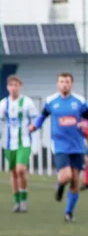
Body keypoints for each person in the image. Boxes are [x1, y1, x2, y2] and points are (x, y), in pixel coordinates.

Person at [29, 72, 88, 222]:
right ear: (58, 84)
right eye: (62, 82)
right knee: (66, 176)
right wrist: (35, 126)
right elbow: (43, 116)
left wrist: (85, 124)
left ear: (71, 84)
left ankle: (68, 213)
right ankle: (60, 187)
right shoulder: (51, 101)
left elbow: (87, 119)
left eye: (67, 82)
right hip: (60, 144)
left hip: (77, 145)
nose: (64, 84)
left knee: (75, 181)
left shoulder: (80, 101)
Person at [0, 75, 38, 213]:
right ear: (7, 87)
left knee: (21, 169)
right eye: (11, 85)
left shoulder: (27, 103)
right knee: (14, 173)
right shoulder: (3, 104)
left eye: (16, 85)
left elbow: (35, 124)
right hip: (8, 144)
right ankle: (17, 201)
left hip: (24, 142)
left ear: (20, 86)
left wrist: (36, 145)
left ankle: (24, 201)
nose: (14, 88)